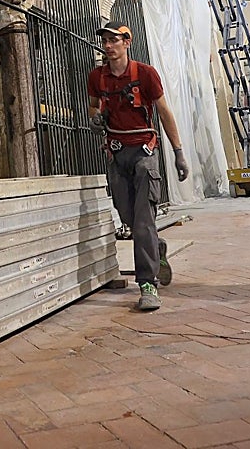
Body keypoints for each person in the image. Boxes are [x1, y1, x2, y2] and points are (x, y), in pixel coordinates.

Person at [87, 21, 189, 312]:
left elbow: (164, 111)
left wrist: (178, 152)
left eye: (113, 40)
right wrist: (96, 118)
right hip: (117, 154)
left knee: (144, 220)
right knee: (129, 219)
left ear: (127, 42)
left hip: (145, 153)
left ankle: (147, 285)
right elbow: (94, 106)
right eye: (104, 41)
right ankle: (156, 249)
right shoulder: (97, 77)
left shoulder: (145, 74)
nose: (108, 46)